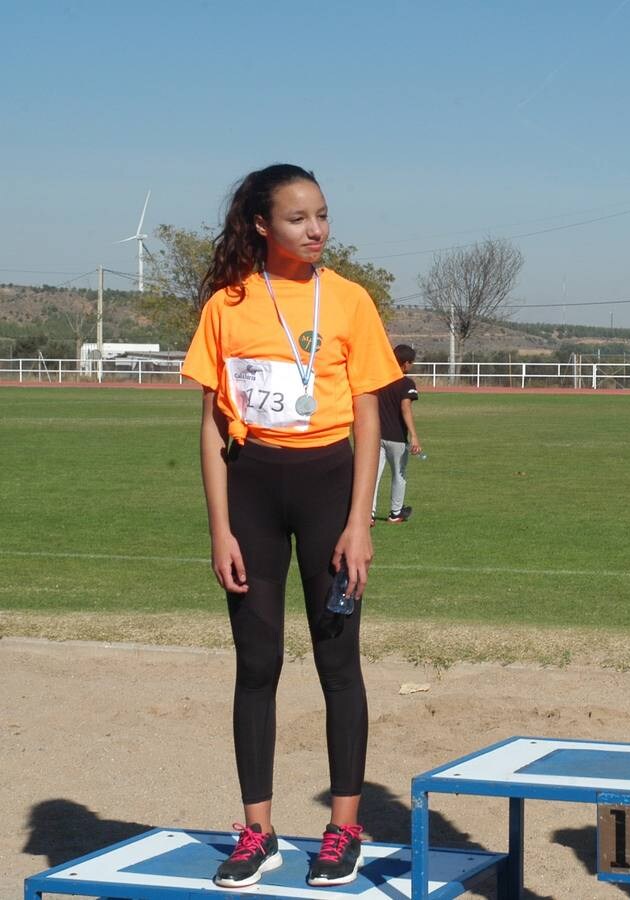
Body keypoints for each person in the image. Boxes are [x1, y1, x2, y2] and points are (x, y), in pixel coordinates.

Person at [181, 163, 401, 888]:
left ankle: (343, 829)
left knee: (338, 663)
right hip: (252, 488)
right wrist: (220, 529)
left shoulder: (348, 301)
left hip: (329, 484)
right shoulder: (228, 305)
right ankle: (257, 831)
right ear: (261, 226)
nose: (316, 230)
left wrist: (360, 523)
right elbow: (212, 429)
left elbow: (370, 415)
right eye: (298, 218)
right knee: (257, 662)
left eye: (323, 216)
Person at [371, 344, 422, 524]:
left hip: (376, 435)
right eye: (411, 363)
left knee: (373, 476)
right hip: (396, 438)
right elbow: (405, 407)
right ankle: (395, 513)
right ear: (406, 363)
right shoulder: (406, 383)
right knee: (399, 476)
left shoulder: (380, 379)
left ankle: (368, 514)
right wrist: (414, 436)